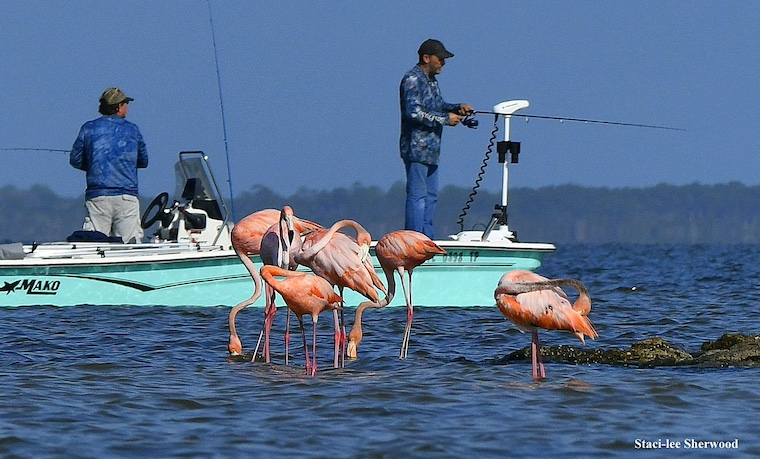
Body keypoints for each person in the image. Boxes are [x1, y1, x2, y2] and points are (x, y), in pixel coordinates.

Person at [399, 38, 473, 239]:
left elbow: (437, 104)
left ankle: (427, 238)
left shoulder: (431, 81)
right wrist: (445, 119)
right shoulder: (412, 79)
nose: (443, 63)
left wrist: (457, 108)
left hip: (432, 149)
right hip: (416, 148)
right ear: (426, 58)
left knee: (431, 196)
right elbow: (413, 112)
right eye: (440, 59)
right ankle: (413, 240)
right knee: (418, 196)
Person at [70, 87, 149, 243]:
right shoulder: (132, 129)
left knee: (93, 247)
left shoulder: (88, 128)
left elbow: (75, 160)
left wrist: (93, 165)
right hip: (126, 198)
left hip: (98, 198)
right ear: (118, 106)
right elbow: (143, 161)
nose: (127, 107)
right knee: (129, 247)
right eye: (126, 103)